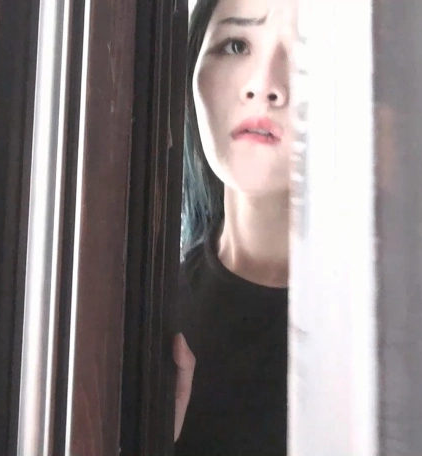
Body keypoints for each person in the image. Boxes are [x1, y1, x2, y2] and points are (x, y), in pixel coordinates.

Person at [172, 0, 297, 454]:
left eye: (306, 53)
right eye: (237, 45)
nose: (264, 86)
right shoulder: (147, 322)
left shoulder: (403, 328)